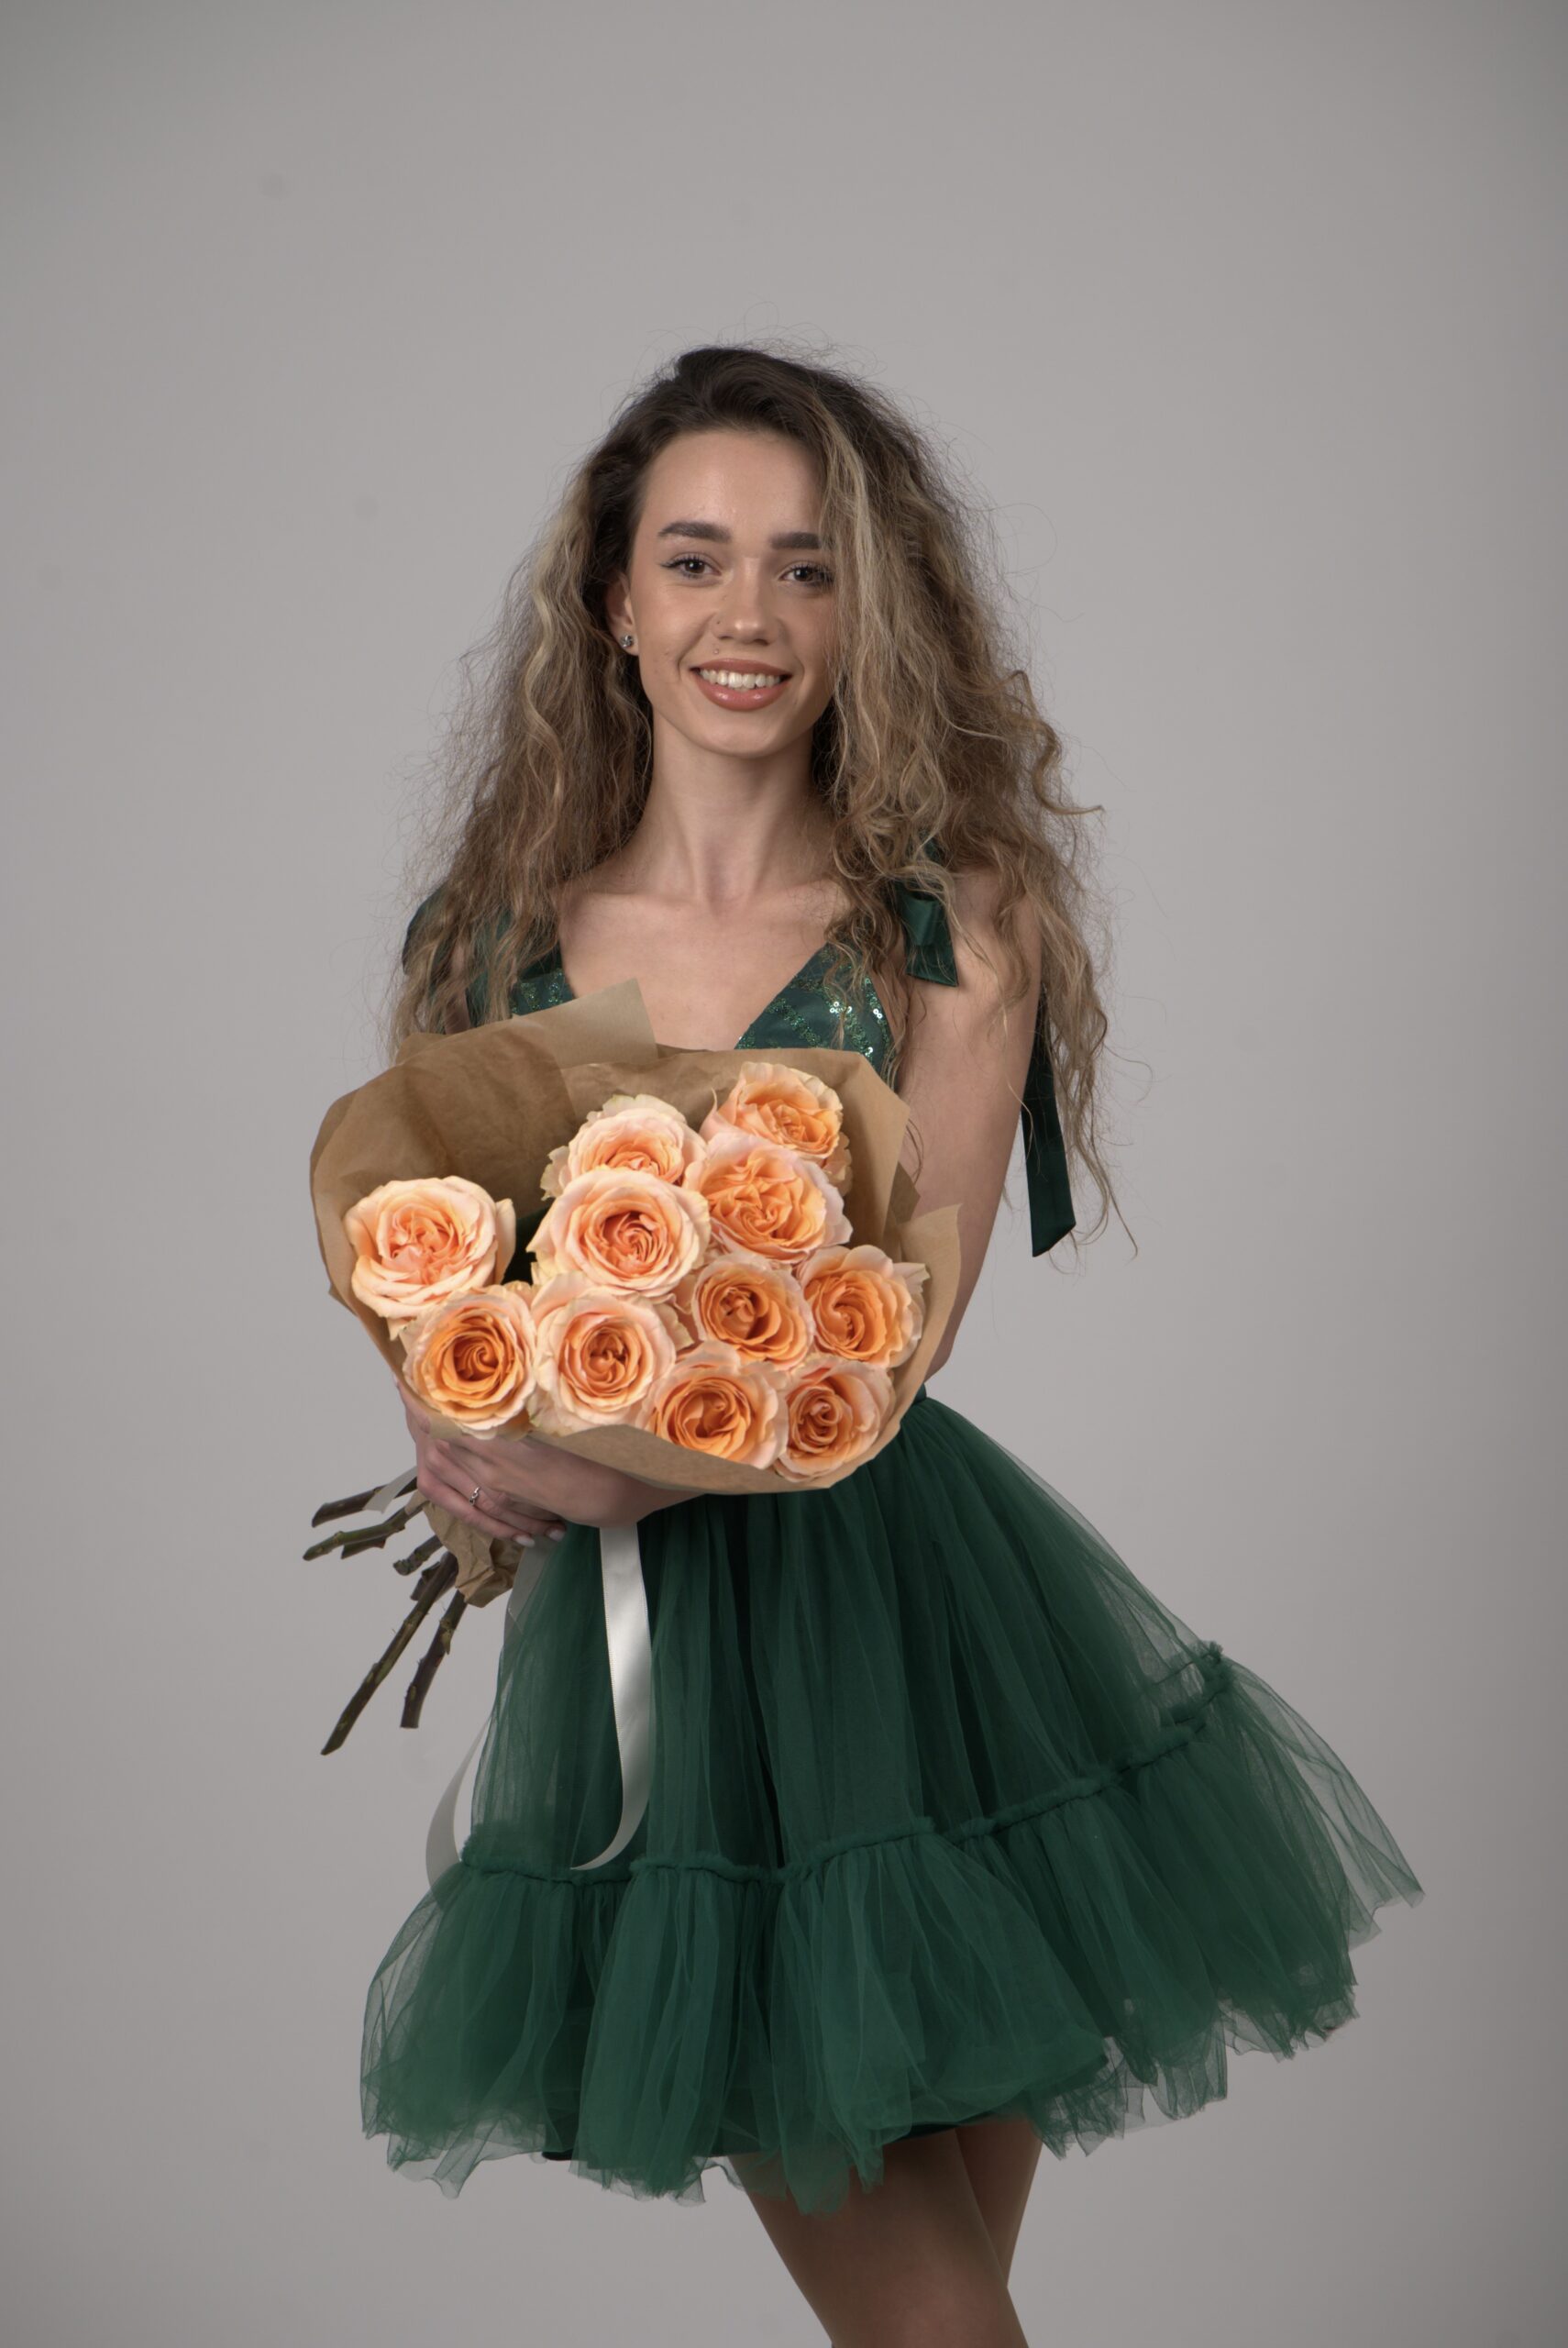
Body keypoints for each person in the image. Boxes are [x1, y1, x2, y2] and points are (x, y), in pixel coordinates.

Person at [362, 342, 1422, 2348]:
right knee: (934, 2320)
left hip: (921, 1620)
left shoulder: (947, 925)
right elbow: (453, 1272)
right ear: (613, 600)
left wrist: (619, 1467)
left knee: (934, 2325)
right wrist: (456, 1422)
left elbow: (898, 1331)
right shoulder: (494, 941)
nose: (749, 613)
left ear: (870, 606)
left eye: (808, 564)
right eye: (696, 559)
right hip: (683, 1670)